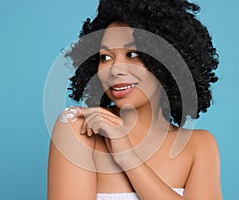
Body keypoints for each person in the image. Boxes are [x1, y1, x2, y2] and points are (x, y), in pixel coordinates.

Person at [48, 0, 222, 199]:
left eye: (132, 54)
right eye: (105, 57)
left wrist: (128, 158)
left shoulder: (199, 146)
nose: (115, 69)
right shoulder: (80, 130)